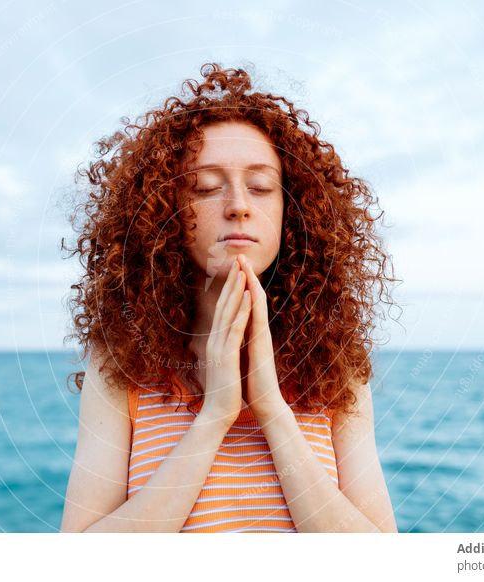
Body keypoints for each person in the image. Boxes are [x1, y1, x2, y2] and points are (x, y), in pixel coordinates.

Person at [60, 63, 399, 533]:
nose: (239, 204)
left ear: (290, 214)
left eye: (261, 187)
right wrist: (215, 415)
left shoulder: (334, 366)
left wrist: (272, 410)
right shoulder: (120, 364)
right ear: (165, 214)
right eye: (204, 186)